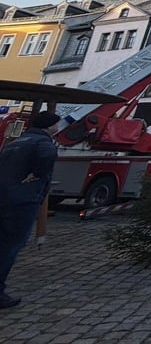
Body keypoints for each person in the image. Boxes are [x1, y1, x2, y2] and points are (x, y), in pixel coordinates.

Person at [0, 110, 60, 309]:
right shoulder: (43, 143)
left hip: (5, 196)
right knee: (10, 246)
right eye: (56, 124)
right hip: (22, 200)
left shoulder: (16, 141)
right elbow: (48, 156)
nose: (58, 127)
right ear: (50, 126)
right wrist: (37, 175)